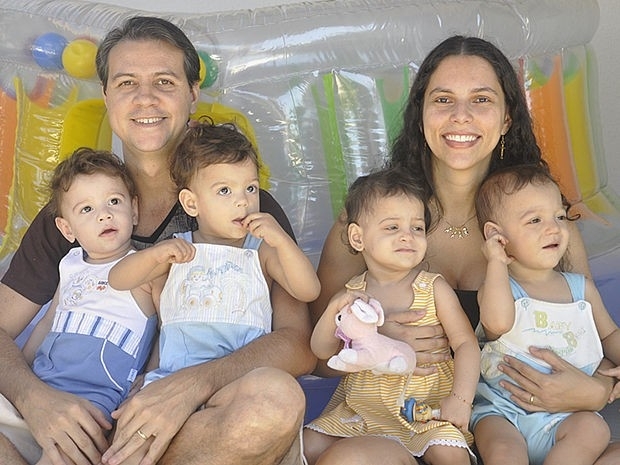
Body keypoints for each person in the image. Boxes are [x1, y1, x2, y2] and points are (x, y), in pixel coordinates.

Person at [0, 16, 315, 465]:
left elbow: (298, 342)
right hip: (67, 425)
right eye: (127, 82)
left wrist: (193, 385)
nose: (145, 98)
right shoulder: (77, 205)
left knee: (275, 400)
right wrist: (36, 400)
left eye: (163, 81)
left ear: (192, 93)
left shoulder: (240, 205)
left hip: (187, 427)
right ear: (107, 96)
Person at [310, 35, 620, 464]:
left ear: (508, 118)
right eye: (443, 99)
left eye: (481, 99)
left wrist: (599, 391)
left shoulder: (544, 223)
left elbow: (592, 332)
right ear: (420, 116)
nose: (461, 116)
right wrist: (371, 345)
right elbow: (318, 360)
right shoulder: (370, 220)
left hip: (527, 430)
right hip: (407, 423)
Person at [108, 119, 320, 389]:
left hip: (238, 382)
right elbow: (118, 280)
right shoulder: (179, 250)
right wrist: (156, 254)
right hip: (173, 380)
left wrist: (282, 241)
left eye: (250, 188)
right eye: (224, 190)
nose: (242, 200)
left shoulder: (259, 249)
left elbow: (308, 291)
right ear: (191, 203)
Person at [304, 168, 480, 465]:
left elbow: (465, 344)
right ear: (358, 237)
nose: (407, 237)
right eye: (392, 228)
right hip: (362, 409)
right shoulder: (353, 293)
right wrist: (334, 308)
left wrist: (461, 400)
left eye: (417, 228)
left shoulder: (432, 287)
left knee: (450, 455)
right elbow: (322, 350)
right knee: (304, 447)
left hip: (425, 408)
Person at [471, 164, 620, 465]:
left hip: (566, 414)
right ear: (497, 236)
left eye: (560, 216)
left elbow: (609, 335)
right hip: (503, 410)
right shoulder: (499, 288)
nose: (554, 228)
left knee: (594, 429)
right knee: (503, 451)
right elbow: (497, 323)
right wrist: (496, 263)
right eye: (535, 220)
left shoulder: (581, 290)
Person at [22, 148, 158, 465]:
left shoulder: (147, 268)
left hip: (95, 397)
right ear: (67, 229)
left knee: (61, 457)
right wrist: (21, 376)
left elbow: (166, 331)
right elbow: (47, 322)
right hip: (43, 383)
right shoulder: (69, 264)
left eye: (114, 201)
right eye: (86, 209)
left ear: (134, 211)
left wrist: (150, 381)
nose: (104, 215)